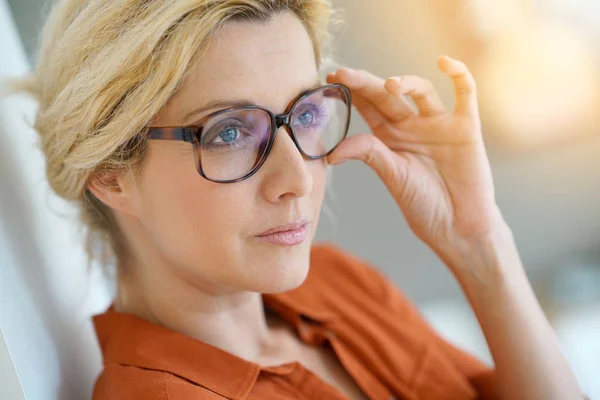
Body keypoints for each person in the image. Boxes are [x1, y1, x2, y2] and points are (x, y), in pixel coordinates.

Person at [7, 0, 583, 399]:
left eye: (305, 114)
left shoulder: (337, 283)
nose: (298, 179)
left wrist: (479, 243)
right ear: (111, 175)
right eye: (228, 131)